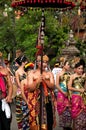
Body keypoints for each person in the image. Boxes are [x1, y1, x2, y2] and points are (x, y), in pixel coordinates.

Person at [27, 55, 56, 130]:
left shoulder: (49, 73)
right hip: (36, 101)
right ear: (38, 63)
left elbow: (53, 86)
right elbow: (29, 88)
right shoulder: (31, 73)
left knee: (49, 120)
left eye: (46, 62)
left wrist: (45, 80)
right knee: (37, 121)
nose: (45, 64)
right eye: (43, 62)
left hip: (48, 100)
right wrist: (37, 81)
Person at [68, 58, 86, 130]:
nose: (81, 70)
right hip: (75, 98)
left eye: (82, 68)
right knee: (76, 116)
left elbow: (84, 88)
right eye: (79, 68)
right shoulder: (72, 76)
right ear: (75, 69)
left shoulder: (84, 76)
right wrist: (79, 90)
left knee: (84, 115)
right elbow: (69, 87)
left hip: (83, 97)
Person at [56, 58, 72, 130]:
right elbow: (56, 84)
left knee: (69, 112)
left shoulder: (70, 74)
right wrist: (63, 92)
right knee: (63, 112)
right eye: (68, 64)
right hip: (61, 95)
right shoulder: (59, 74)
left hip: (69, 95)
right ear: (63, 65)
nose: (69, 66)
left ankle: (68, 126)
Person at [15, 55, 29, 130]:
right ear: (23, 62)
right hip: (20, 93)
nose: (27, 62)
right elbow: (18, 84)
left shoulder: (26, 71)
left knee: (27, 112)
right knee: (20, 112)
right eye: (25, 61)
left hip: (27, 92)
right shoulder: (17, 72)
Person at [0, 53, 13, 130]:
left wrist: (9, 96)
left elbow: (10, 85)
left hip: (4, 100)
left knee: (6, 123)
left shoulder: (5, 70)